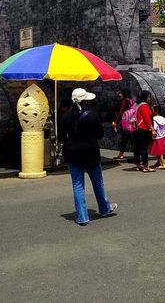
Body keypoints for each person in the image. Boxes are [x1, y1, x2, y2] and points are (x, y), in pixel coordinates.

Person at [59, 88, 118, 225]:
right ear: (84, 101)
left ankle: (82, 216)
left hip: (72, 153)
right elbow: (99, 134)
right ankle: (104, 208)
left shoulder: (66, 116)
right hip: (90, 152)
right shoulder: (91, 115)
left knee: (78, 185)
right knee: (97, 182)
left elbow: (61, 137)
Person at [132, 90, 155, 172]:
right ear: (145, 97)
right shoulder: (144, 106)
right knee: (144, 148)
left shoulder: (136, 105)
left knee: (137, 148)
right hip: (143, 129)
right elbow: (147, 119)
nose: (149, 98)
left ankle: (138, 165)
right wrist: (152, 129)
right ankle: (145, 166)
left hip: (136, 129)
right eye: (148, 97)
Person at [112, 89, 135, 160]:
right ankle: (121, 154)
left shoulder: (125, 101)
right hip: (132, 122)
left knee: (127, 139)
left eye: (121, 93)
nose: (120, 94)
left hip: (126, 123)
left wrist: (116, 122)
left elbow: (121, 112)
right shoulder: (132, 101)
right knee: (127, 138)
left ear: (124, 93)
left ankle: (138, 155)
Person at [150, 105, 165, 170]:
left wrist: (152, 132)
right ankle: (158, 162)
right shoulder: (163, 118)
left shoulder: (154, 119)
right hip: (163, 135)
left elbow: (155, 128)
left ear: (155, 111)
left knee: (159, 151)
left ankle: (163, 164)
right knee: (159, 150)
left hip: (157, 136)